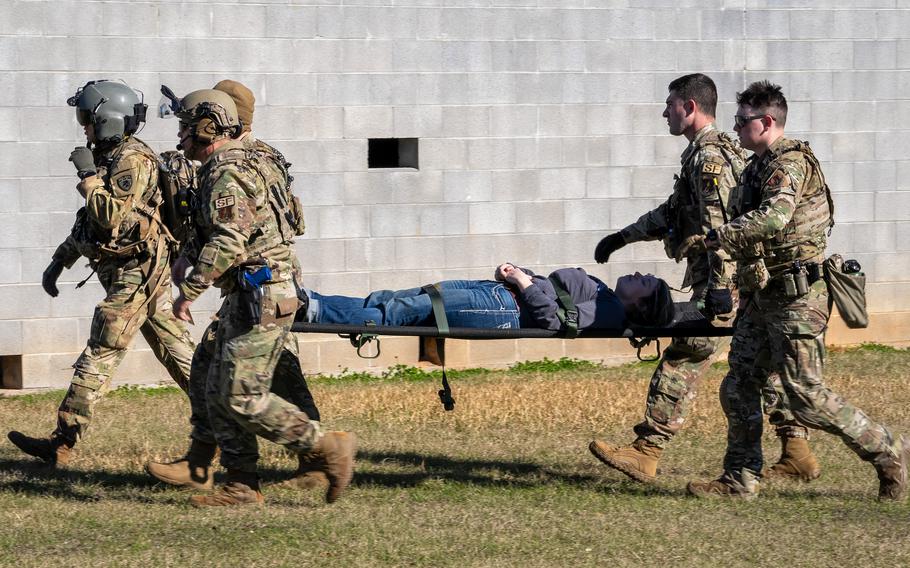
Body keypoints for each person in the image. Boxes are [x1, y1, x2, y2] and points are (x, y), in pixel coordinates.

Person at [680, 80, 907, 500]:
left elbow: (773, 219)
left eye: (742, 121)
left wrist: (718, 238)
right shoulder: (755, 166)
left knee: (806, 398)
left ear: (766, 122)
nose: (735, 127)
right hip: (764, 295)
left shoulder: (790, 165)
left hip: (798, 298)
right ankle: (739, 480)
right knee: (739, 385)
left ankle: (888, 449)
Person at [588, 73, 820, 484]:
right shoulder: (705, 155)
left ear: (689, 108)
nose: (664, 112)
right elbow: (674, 211)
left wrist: (718, 287)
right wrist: (624, 237)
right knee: (759, 365)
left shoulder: (709, 159)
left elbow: (720, 227)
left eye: (670, 104)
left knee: (687, 355)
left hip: (721, 282)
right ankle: (796, 449)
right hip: (735, 282)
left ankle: (647, 451)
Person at [170, 88, 355, 507]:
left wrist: (190, 291)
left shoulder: (228, 171)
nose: (180, 136)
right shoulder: (244, 159)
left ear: (207, 127)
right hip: (250, 290)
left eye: (185, 126)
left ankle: (324, 447)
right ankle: (240, 485)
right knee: (220, 387)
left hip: (264, 294)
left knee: (242, 395)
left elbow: (230, 238)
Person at [7, 80, 196, 466]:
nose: (84, 127)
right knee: (178, 353)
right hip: (131, 271)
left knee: (103, 345)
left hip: (139, 271)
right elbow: (89, 226)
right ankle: (228, 420)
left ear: (107, 120)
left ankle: (62, 440)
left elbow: (110, 217)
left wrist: (88, 179)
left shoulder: (133, 161)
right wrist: (59, 261)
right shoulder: (111, 158)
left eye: (87, 119)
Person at [304, 264, 676, 331]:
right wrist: (519, 273)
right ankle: (313, 301)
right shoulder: (606, 294)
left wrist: (523, 283)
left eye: (646, 282)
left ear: (641, 304)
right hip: (500, 293)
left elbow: (556, 321)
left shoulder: (610, 312)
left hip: (501, 308)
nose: (640, 275)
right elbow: (554, 293)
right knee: (398, 297)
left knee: (402, 312)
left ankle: (315, 310)